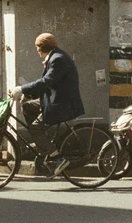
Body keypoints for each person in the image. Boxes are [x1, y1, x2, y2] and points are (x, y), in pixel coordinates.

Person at [10, 33, 85, 177]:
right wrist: (29, 94)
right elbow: (48, 83)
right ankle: (42, 142)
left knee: (35, 128)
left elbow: (46, 81)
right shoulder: (55, 56)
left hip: (61, 103)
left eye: (37, 47)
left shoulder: (58, 59)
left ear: (42, 47)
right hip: (55, 99)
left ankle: (57, 157)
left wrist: (22, 89)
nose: (37, 50)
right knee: (27, 107)